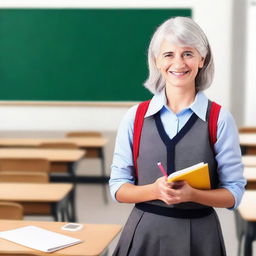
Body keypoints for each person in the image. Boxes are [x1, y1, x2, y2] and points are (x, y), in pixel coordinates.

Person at [109, 16, 246, 256]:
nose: (179, 63)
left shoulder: (219, 119)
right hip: (144, 234)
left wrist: (193, 195)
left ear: (202, 59)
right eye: (169, 54)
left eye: (188, 54)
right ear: (156, 61)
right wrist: (154, 190)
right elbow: (118, 187)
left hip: (201, 238)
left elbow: (233, 193)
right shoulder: (135, 117)